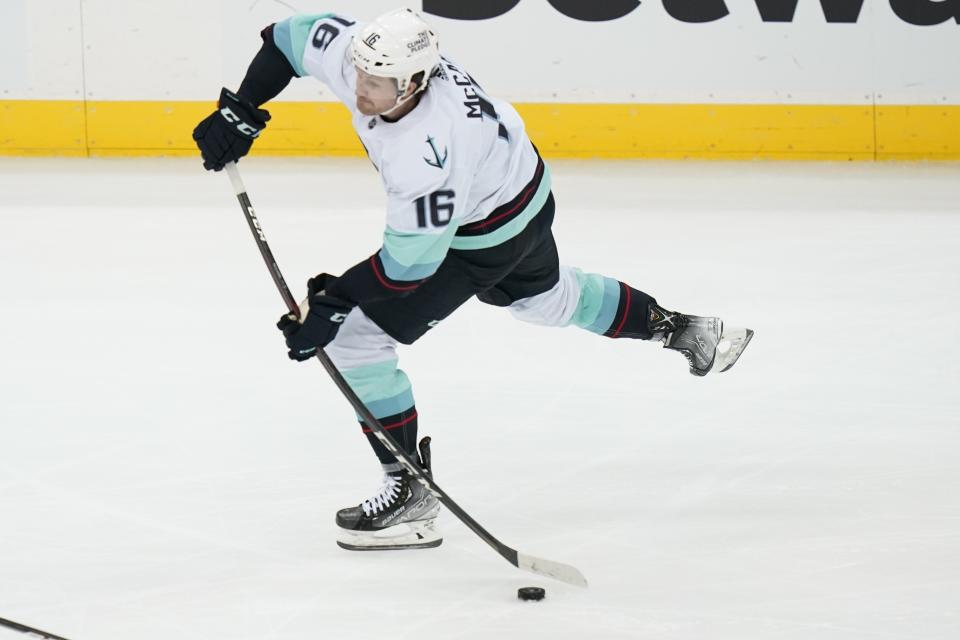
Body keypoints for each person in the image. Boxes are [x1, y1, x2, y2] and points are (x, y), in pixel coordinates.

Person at [192, 7, 753, 551]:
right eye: (360, 71)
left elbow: (407, 269)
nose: (359, 87)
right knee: (548, 303)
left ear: (412, 86)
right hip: (526, 193)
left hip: (484, 233)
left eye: (377, 82)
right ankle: (684, 330)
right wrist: (242, 109)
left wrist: (334, 304)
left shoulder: (428, 152)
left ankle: (410, 492)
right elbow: (289, 38)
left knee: (354, 340)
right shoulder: (371, 59)